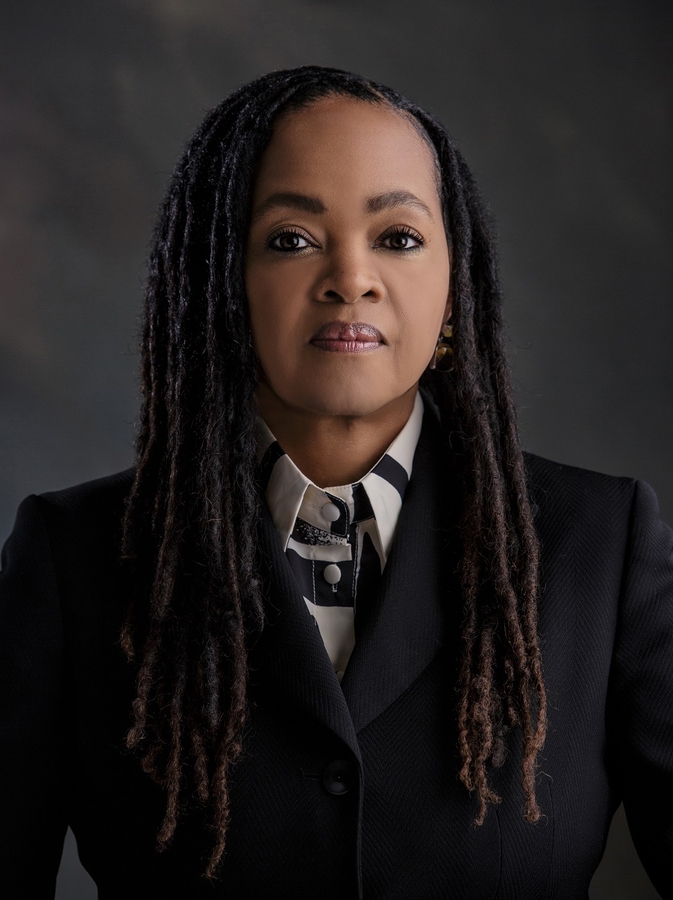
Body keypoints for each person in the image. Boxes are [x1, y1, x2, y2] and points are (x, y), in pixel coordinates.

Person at [0, 65, 671, 900]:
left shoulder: (601, 547)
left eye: (398, 237)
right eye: (290, 239)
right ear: (220, 283)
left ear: (455, 289)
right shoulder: (73, 560)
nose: (350, 278)